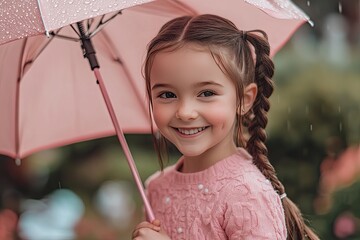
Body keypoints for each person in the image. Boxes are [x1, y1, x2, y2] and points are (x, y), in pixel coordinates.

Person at [132, 14, 319, 240]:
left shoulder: (247, 194)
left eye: (207, 93)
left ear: (245, 99)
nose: (185, 112)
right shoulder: (156, 189)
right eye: (167, 94)